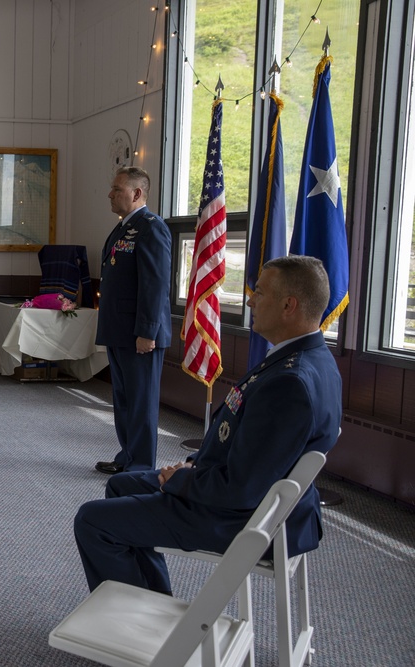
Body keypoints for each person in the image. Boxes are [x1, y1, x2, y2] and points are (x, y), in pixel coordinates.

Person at [73, 255, 342, 595]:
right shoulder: (310, 358)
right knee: (122, 486)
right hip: (250, 497)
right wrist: (192, 468)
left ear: (289, 305)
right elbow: (254, 456)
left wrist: (184, 479)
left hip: (245, 517)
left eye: (259, 292)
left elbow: (242, 488)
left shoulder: (290, 382)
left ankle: (136, 627)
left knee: (93, 521)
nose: (250, 300)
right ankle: (151, 601)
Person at [94, 167, 172, 474]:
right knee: (124, 399)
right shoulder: (124, 227)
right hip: (119, 329)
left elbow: (155, 284)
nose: (110, 194)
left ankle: (140, 466)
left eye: (117, 189)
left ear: (136, 193)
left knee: (141, 403)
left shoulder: (151, 227)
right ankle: (127, 455)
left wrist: (147, 332)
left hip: (140, 333)